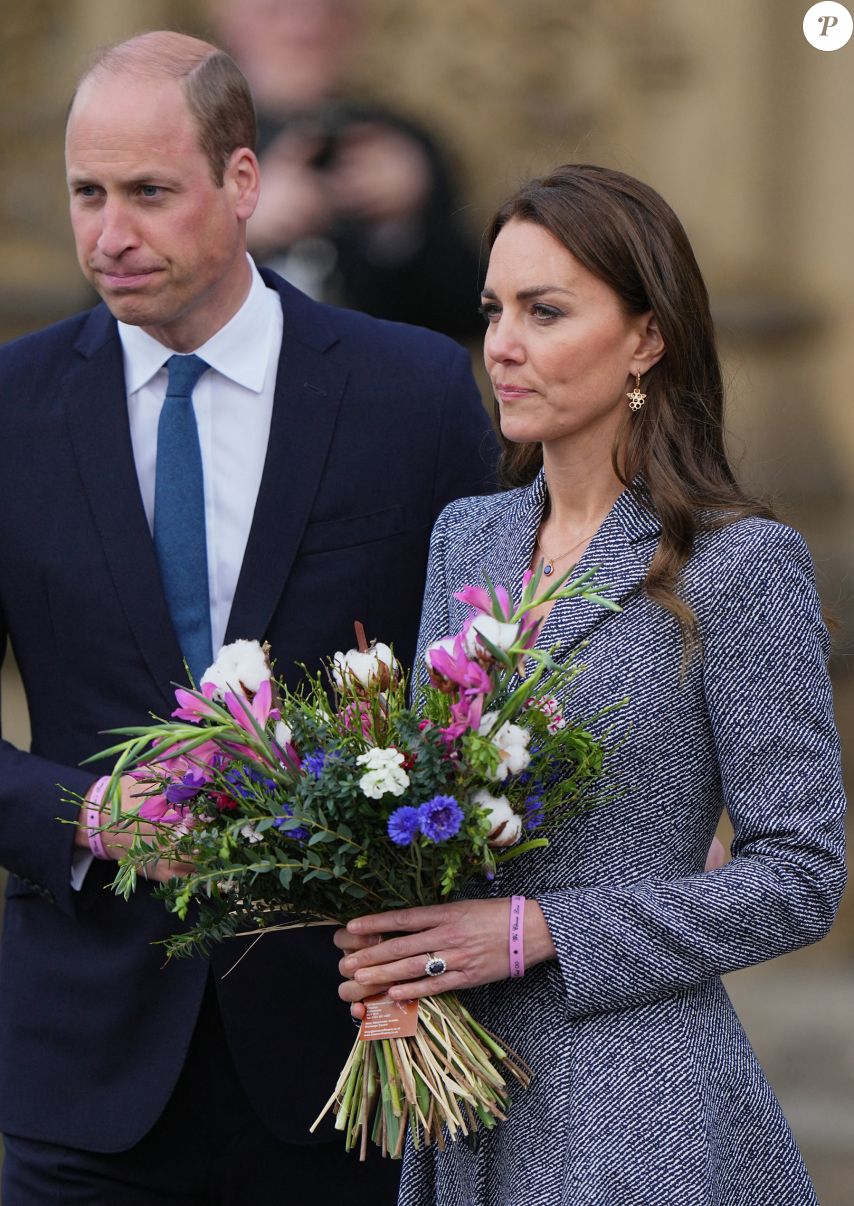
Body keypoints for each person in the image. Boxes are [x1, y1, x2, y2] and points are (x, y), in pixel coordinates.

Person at [0, 32, 497, 1206]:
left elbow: (490, 674)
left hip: (353, 1066)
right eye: (86, 193)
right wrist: (84, 814)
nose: (108, 234)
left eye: (147, 193)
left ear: (240, 183)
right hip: (88, 1077)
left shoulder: (412, 391)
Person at [335, 164, 847, 1205]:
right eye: (492, 310)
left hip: (635, 1104)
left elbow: (800, 877)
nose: (502, 345)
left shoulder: (738, 566)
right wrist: (383, 928)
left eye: (544, 310)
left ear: (646, 339)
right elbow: (429, 816)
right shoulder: (464, 537)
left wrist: (539, 932)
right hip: (460, 1105)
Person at [211, 0, 483, 340]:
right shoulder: (188, 140)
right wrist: (240, 233)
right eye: (277, 8)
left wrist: (402, 226)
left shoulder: (402, 147)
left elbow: (474, 315)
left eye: (332, 9)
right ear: (229, 14)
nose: (307, 28)